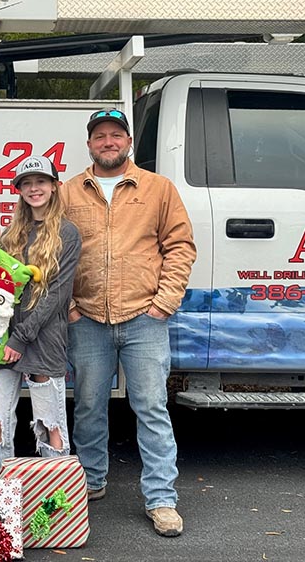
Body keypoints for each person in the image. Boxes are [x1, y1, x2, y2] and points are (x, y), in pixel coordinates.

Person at [63, 109, 196, 537]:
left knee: (152, 408)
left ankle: (161, 499)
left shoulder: (158, 189)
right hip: (87, 319)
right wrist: (67, 306)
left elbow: (180, 246)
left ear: (128, 142)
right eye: (99, 136)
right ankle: (90, 480)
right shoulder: (68, 192)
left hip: (144, 319)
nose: (108, 142)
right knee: (87, 407)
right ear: (89, 144)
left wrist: (164, 303)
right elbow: (50, 250)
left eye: (115, 135)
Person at [0, 155, 81, 478]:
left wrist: (22, 337)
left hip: (42, 341)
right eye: (27, 183)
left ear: (54, 186)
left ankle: (55, 497)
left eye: (40, 182)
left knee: (50, 426)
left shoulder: (68, 233)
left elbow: (58, 295)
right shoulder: (11, 234)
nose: (34, 189)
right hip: (5, 338)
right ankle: (1, 499)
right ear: (19, 190)